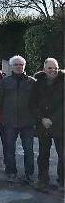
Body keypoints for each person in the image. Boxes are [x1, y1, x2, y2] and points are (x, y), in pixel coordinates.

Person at [0, 55, 36, 183]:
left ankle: (29, 173)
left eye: (21, 64)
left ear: (24, 66)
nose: (19, 67)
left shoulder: (32, 82)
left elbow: (37, 101)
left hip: (27, 122)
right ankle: (11, 171)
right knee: (9, 148)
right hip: (9, 121)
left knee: (29, 150)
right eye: (16, 65)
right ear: (11, 66)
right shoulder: (4, 82)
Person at [30, 58, 63, 192]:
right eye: (50, 68)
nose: (53, 70)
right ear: (44, 69)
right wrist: (42, 118)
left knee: (63, 154)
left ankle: (63, 181)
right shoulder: (37, 84)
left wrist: (52, 119)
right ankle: (43, 180)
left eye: (55, 67)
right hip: (43, 124)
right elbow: (32, 104)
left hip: (61, 124)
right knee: (43, 154)